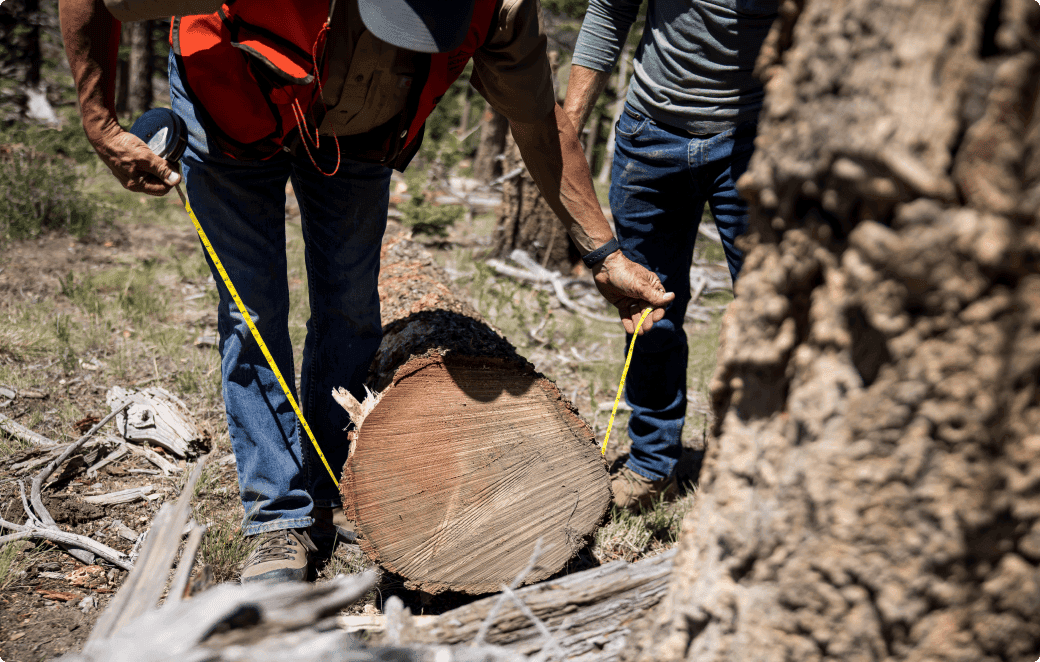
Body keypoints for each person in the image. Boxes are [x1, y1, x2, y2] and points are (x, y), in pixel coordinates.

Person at [60, 0, 675, 582]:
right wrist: (100, 122)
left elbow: (540, 122)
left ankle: (332, 486)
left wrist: (604, 254)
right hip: (230, 106)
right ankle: (277, 516)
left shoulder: (499, 5)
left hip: (359, 128)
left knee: (352, 307)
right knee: (252, 312)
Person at [564, 0, 778, 510]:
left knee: (774, 312)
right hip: (651, 134)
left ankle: (767, 466)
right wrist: (566, 131)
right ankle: (652, 463)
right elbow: (610, 8)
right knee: (648, 310)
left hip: (761, 136)